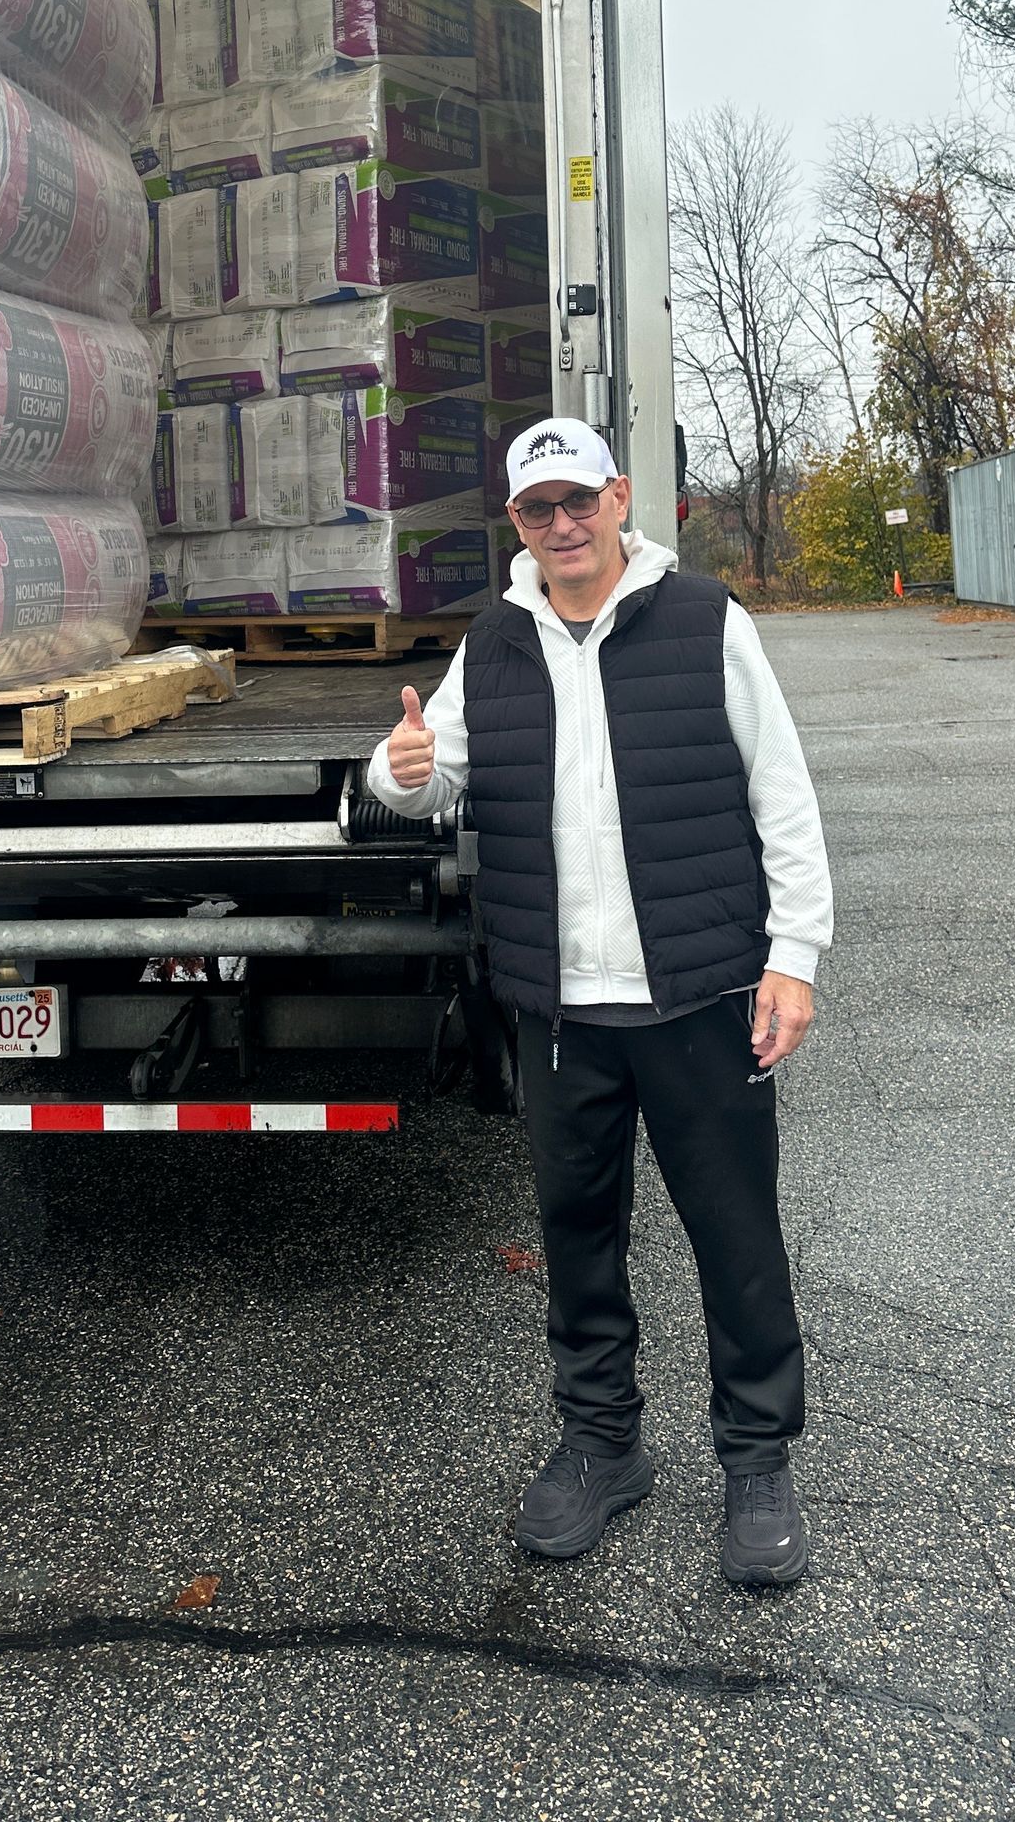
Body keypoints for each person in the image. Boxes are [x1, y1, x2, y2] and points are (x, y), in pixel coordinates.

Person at [366, 415, 833, 1585]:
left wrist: (796, 956)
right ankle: (602, 1442)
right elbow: (434, 773)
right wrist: (400, 772)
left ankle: (757, 1458)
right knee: (580, 1241)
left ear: (620, 497)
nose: (564, 525)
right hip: (561, 1008)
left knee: (735, 1235)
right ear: (516, 523)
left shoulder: (706, 620)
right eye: (539, 509)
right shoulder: (499, 638)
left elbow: (783, 793)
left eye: (581, 500)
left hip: (697, 993)